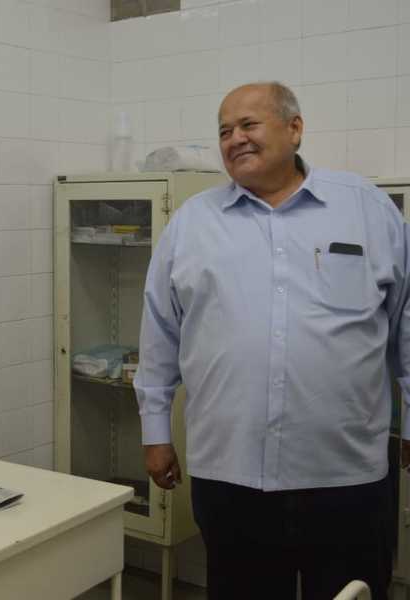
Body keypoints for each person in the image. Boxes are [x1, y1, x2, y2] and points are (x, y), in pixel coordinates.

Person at [134, 81, 410, 600]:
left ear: (295, 128)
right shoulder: (193, 222)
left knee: (350, 593)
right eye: (223, 130)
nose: (234, 138)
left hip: (344, 472)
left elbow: (406, 323)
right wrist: (155, 430)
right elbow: (159, 330)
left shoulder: (368, 209)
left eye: (248, 125)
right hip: (231, 471)